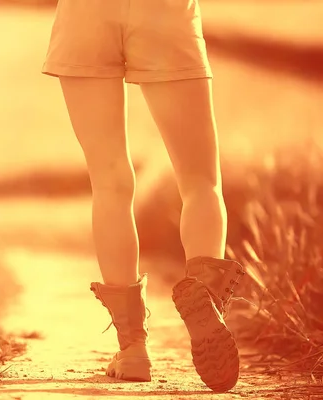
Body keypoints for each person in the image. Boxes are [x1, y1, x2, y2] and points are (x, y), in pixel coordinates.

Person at [41, 0, 246, 393]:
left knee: (110, 182)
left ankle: (133, 349)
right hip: (165, 11)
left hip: (87, 15)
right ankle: (204, 300)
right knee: (201, 181)